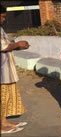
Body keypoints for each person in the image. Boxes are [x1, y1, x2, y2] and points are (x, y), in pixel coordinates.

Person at [1, 5, 29, 134]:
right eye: (2, 16)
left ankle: (4, 121)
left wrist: (18, 46)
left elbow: (8, 45)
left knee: (6, 97)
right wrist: (17, 44)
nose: (3, 19)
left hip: (6, 69)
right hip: (2, 71)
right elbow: (4, 46)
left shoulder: (1, 29)